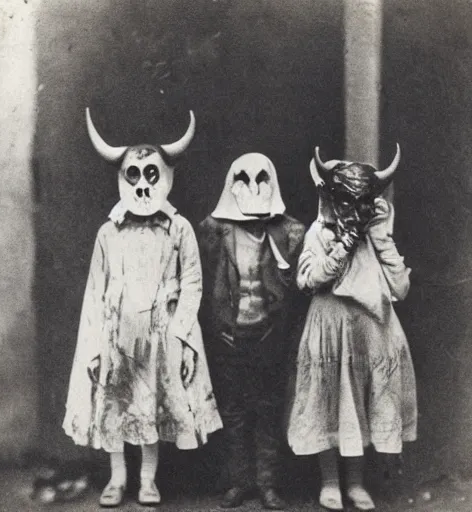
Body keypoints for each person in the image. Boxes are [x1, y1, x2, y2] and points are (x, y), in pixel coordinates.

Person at [63, 109, 222, 508]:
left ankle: (148, 479)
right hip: (117, 332)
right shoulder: (108, 232)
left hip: (162, 333)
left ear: (166, 177)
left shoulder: (179, 228)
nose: (143, 184)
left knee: (153, 404)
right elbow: (95, 290)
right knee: (114, 403)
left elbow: (193, 283)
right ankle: (117, 478)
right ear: (121, 178)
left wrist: (183, 337)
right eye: (133, 174)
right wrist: (96, 344)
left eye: (152, 173)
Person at [287, 146, 417, 511]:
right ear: (331, 197)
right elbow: (309, 279)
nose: (352, 209)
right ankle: (330, 482)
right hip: (329, 327)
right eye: (345, 200)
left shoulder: (375, 236)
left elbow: (400, 287)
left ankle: (357, 483)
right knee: (328, 400)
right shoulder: (319, 232)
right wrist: (343, 245)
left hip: (372, 331)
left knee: (360, 401)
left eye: (362, 202)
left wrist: (378, 236)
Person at [198, 153, 306, 510]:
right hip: (231, 337)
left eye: (261, 180)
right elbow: (203, 285)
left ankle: (268, 484)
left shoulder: (287, 233)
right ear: (232, 186)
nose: (253, 188)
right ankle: (239, 481)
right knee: (233, 411)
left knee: (268, 410)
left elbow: (294, 288)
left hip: (268, 336)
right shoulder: (217, 232)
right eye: (243, 181)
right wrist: (219, 329)